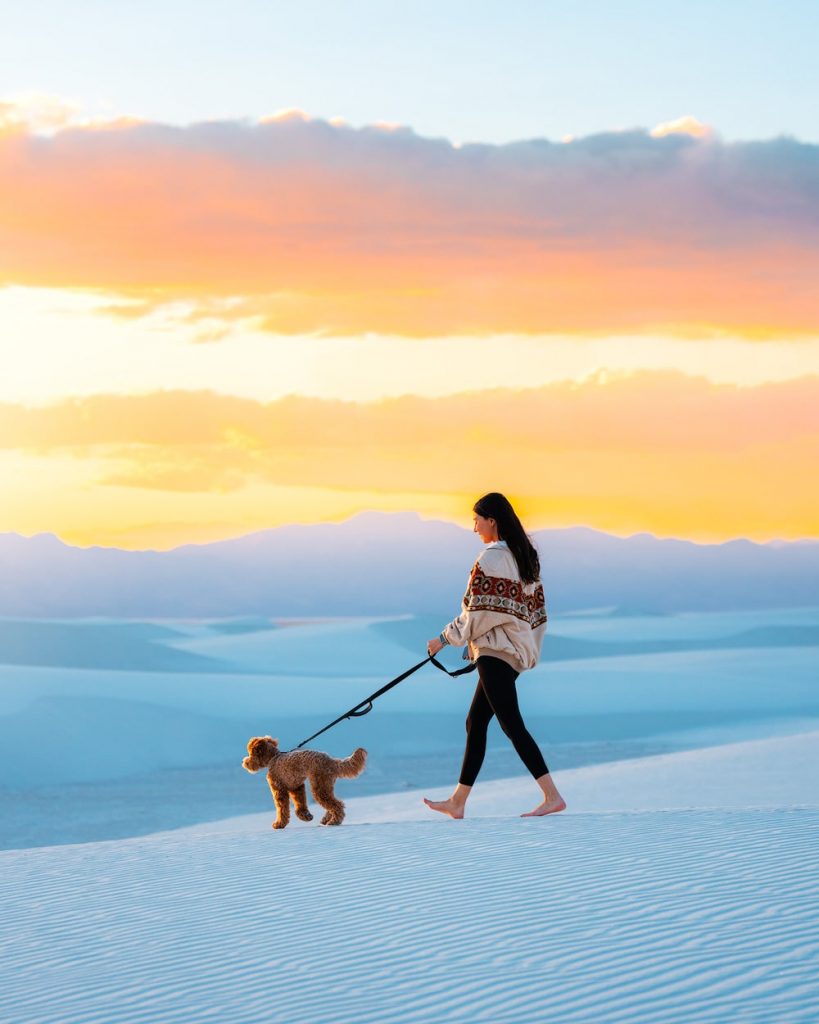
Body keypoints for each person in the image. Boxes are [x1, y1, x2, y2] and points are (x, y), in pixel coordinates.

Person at [423, 492, 566, 819]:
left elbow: (478, 613)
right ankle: (458, 801)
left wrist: (443, 639)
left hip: (495, 651)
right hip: (510, 651)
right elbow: (536, 616)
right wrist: (524, 650)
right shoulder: (524, 558)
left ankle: (552, 795)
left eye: (477, 519)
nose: (474, 527)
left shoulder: (492, 558)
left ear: (492, 520)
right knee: (476, 722)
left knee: (512, 724)